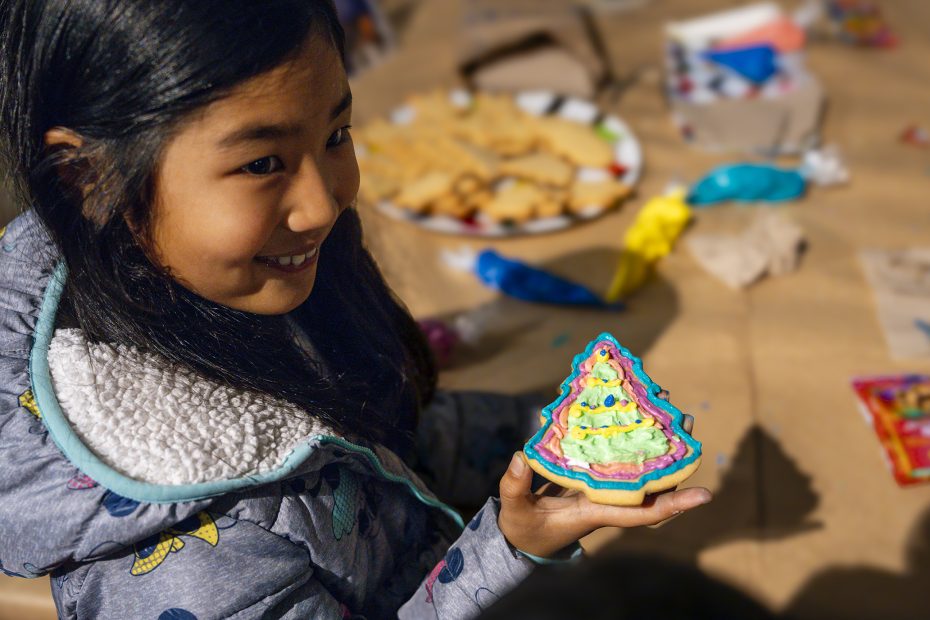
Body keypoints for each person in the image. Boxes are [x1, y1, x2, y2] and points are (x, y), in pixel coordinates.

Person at [0, 1, 712, 618]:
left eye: (336, 135)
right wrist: (516, 550)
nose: (324, 202)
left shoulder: (231, 286)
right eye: (261, 164)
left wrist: (541, 438)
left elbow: (375, 444)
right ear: (88, 178)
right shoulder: (180, 562)